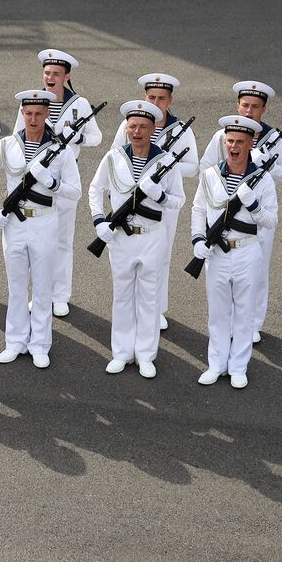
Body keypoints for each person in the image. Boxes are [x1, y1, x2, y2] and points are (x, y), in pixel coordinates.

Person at [0, 90, 78, 368]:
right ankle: (15, 341)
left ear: (47, 114)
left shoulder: (61, 151)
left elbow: (76, 192)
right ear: (22, 114)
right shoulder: (7, 145)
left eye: (39, 113)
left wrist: (53, 183)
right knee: (16, 286)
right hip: (13, 224)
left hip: (45, 222)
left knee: (43, 287)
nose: (33, 119)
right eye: (28, 113)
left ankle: (40, 344)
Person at [88, 100, 185, 378]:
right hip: (120, 238)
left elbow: (179, 200)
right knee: (122, 296)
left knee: (149, 298)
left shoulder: (165, 161)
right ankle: (121, 352)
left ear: (153, 128)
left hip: (152, 237)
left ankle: (145, 355)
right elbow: (96, 189)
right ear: (126, 128)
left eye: (143, 126)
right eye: (132, 126)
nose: (137, 131)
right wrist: (99, 221)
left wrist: (160, 196)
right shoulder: (114, 156)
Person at [199, 80, 282, 343]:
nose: (248, 111)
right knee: (218, 269)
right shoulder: (222, 135)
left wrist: (266, 165)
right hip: (223, 209)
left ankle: (251, 325)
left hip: (257, 215)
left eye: (255, 107)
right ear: (237, 105)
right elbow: (205, 167)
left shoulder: (273, 139)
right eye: (244, 105)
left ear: (264, 109)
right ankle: (224, 323)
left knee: (257, 271)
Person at [191, 116, 277, 388]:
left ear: (251, 144)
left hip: (247, 252)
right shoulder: (210, 175)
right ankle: (216, 364)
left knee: (244, 311)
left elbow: (271, 221)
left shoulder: (262, 181)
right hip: (217, 253)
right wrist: (197, 239)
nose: (234, 146)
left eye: (240, 141)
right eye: (230, 141)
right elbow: (198, 210)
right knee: (217, 313)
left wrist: (253, 207)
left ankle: (239, 366)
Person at [16, 49, 102, 317]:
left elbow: (96, 137)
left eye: (56, 73)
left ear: (67, 76)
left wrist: (76, 138)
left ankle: (61, 294)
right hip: (35, 181)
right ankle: (39, 294)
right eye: (47, 73)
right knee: (36, 241)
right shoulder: (33, 101)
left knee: (63, 239)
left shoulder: (80, 104)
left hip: (66, 179)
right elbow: (16, 138)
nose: (50, 77)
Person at [110, 73, 199, 330]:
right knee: (127, 257)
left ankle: (157, 308)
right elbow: (114, 156)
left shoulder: (181, 130)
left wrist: (165, 168)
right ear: (144, 97)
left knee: (160, 257)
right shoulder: (130, 124)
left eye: (162, 98)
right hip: (130, 200)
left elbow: (193, 166)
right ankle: (130, 309)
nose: (157, 102)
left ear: (170, 100)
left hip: (163, 201)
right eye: (151, 97)